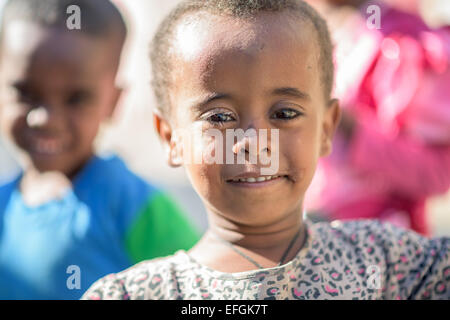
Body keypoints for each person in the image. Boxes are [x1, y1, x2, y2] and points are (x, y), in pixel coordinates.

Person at [82, 0, 449, 300]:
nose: (255, 142)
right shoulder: (133, 295)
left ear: (326, 128)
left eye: (285, 113)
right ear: (171, 137)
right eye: (220, 117)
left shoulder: (390, 264)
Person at [0, 0, 200, 299]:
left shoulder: (132, 206)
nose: (45, 119)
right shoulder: (4, 204)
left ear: (114, 102)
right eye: (25, 93)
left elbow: (204, 290)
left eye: (76, 99)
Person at [304, 0, 450, 236]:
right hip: (317, 236)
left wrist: (350, 128)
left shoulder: (407, 44)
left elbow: (437, 174)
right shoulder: (311, 29)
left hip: (382, 245)